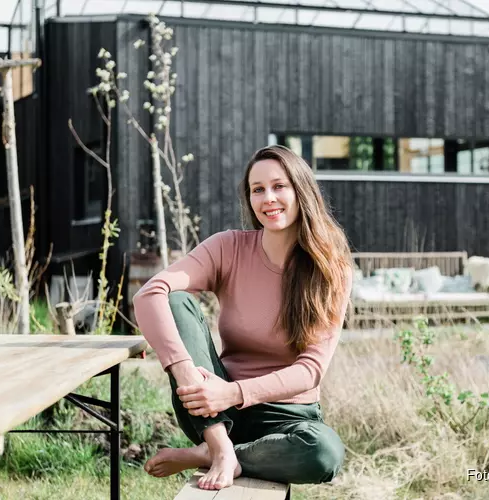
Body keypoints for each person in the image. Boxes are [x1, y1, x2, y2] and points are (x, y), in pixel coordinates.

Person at [132, 145, 353, 490]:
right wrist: (187, 370)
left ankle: (210, 455)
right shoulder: (229, 247)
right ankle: (219, 448)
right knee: (175, 301)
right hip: (213, 411)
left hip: (288, 418)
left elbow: (310, 371)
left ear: (301, 190)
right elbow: (149, 294)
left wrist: (234, 392)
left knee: (325, 453)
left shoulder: (329, 269)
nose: (268, 198)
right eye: (257, 189)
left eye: (279, 186)